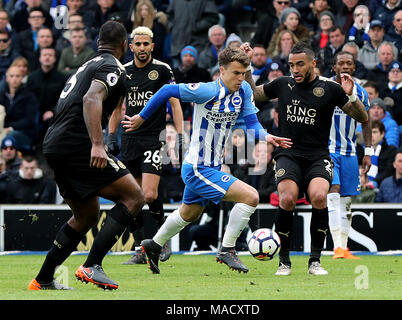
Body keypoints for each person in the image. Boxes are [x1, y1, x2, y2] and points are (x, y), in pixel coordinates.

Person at [122, 46, 292, 274]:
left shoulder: (243, 93)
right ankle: (227, 249)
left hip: (209, 166)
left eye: (243, 73)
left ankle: (153, 245)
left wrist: (268, 136)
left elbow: (252, 125)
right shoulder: (206, 91)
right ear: (222, 71)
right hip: (197, 167)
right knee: (250, 197)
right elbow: (165, 90)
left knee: (188, 214)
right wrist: (141, 118)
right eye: (236, 73)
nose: (241, 79)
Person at [28, 21, 145, 291]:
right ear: (126, 46)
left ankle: (43, 279)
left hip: (54, 145)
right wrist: (97, 143)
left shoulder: (88, 65)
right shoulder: (112, 66)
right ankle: (92, 265)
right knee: (135, 196)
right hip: (77, 144)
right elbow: (91, 99)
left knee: (86, 213)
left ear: (97, 43)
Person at [242, 41, 368, 276]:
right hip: (288, 153)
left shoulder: (330, 89)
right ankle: (284, 261)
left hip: (318, 155)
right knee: (287, 198)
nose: (295, 69)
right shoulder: (283, 84)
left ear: (313, 63)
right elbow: (253, 93)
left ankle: (315, 261)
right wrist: (248, 65)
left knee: (320, 196)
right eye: (291, 65)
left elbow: (362, 117)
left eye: (300, 64)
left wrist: (351, 96)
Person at [107, 26, 184, 265]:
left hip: (153, 138)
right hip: (129, 140)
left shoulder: (162, 70)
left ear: (152, 46)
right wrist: (111, 135)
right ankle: (141, 249)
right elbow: (117, 107)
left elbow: (175, 103)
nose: (142, 48)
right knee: (131, 198)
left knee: (149, 194)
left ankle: (161, 241)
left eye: (145, 44)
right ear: (130, 47)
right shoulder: (123, 72)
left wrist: (181, 136)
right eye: (137, 44)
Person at [327, 50, 372, 260]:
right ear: (334, 66)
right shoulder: (324, 88)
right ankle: (336, 247)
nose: (345, 66)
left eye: (349, 63)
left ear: (354, 68)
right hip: (327, 151)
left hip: (350, 153)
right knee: (333, 193)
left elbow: (366, 121)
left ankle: (343, 248)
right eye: (341, 63)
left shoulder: (360, 92)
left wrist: (369, 152)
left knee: (346, 200)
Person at [357, 120, 397, 189]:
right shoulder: (363, 151)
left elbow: (389, 171)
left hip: (384, 187)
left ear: (382, 134)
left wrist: (375, 182)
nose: (371, 135)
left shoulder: (391, 150)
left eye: (374, 132)